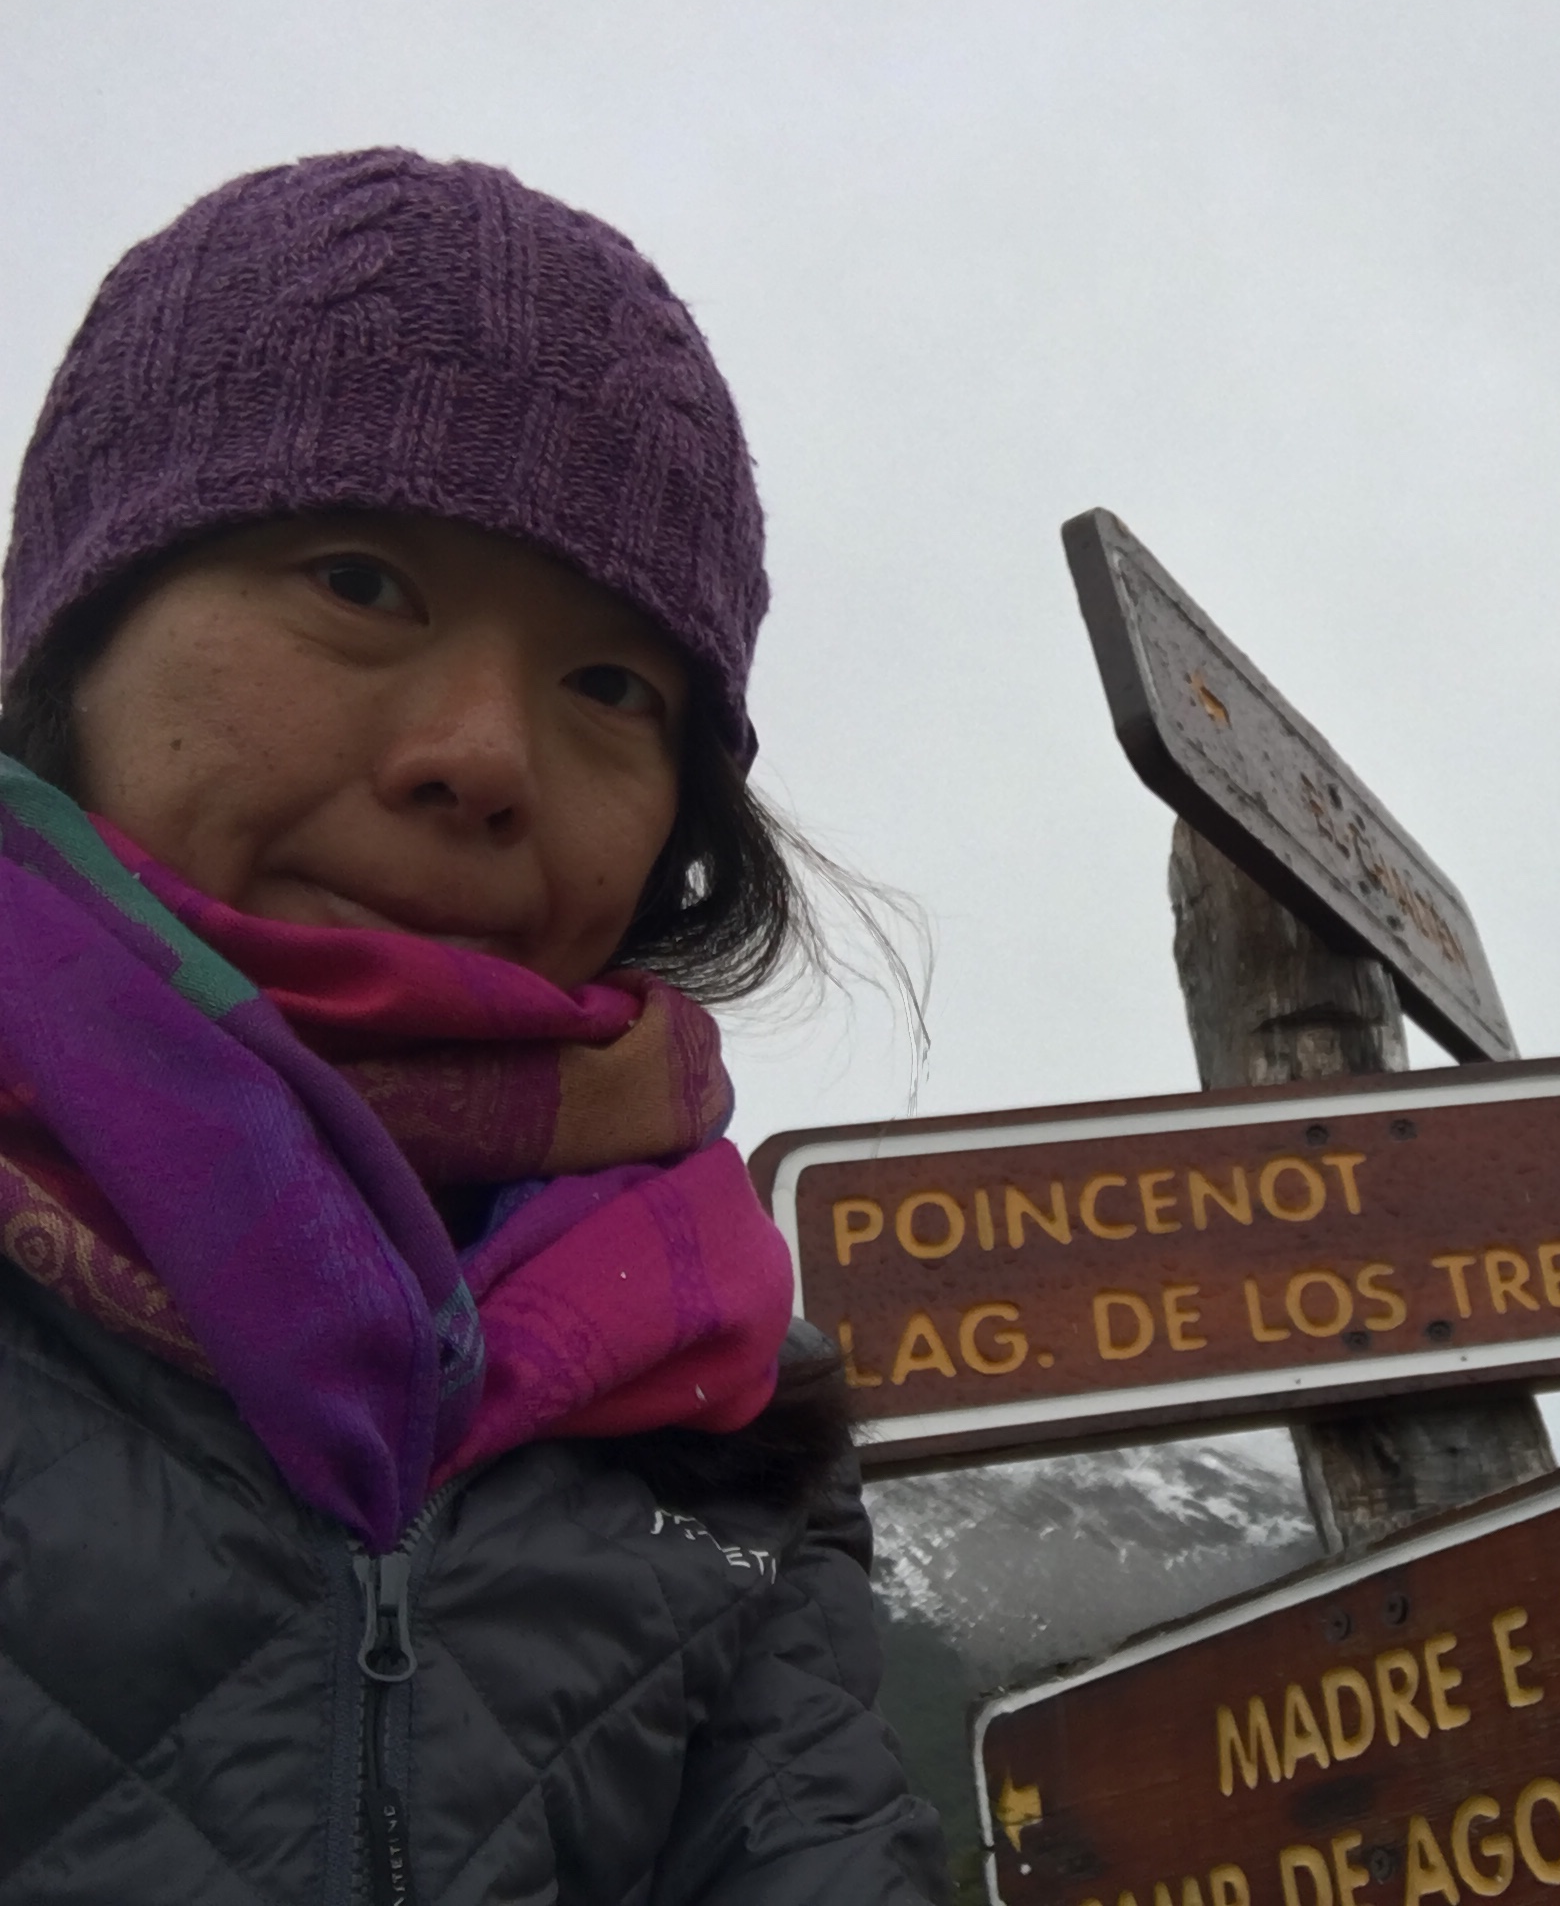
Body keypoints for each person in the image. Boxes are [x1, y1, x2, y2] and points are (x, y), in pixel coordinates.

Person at [0, 148, 948, 1903]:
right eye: (359, 582)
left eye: (610, 684)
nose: (487, 759)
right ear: (75, 630)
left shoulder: (720, 1398)